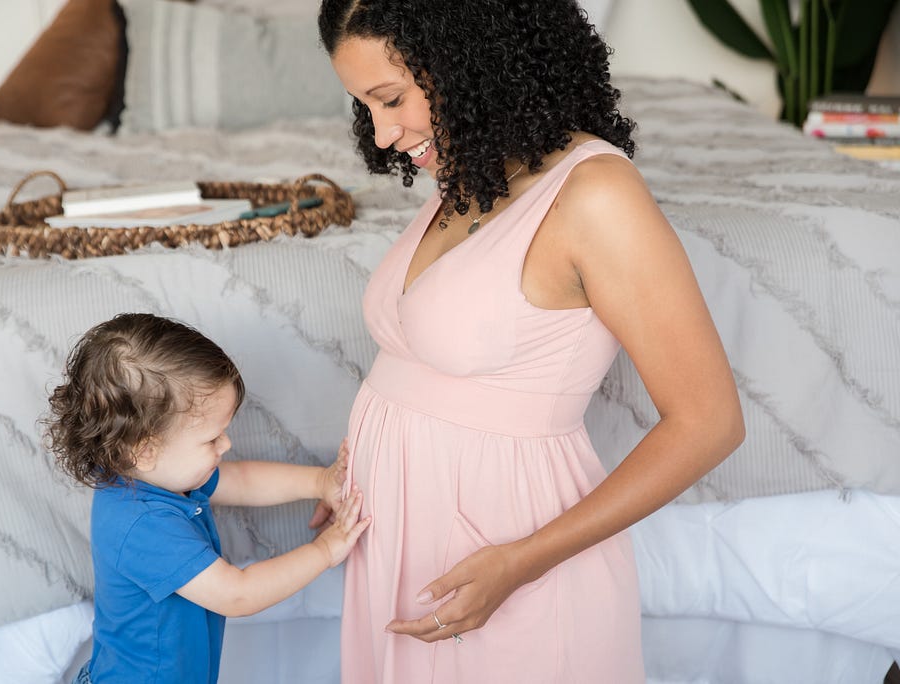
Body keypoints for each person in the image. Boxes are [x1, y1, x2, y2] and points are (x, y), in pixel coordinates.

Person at [316, 0, 746, 681]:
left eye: (390, 98)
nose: (384, 133)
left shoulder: (596, 196)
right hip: (397, 555)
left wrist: (520, 563)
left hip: (510, 565)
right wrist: (369, 464)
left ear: (468, 59)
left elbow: (710, 423)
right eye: (363, 106)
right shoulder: (472, 170)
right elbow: (431, 365)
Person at [44, 313, 370, 684]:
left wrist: (321, 481)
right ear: (144, 449)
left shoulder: (154, 475)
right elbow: (237, 594)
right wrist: (325, 551)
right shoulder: (143, 526)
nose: (226, 444)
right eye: (212, 439)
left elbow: (242, 480)